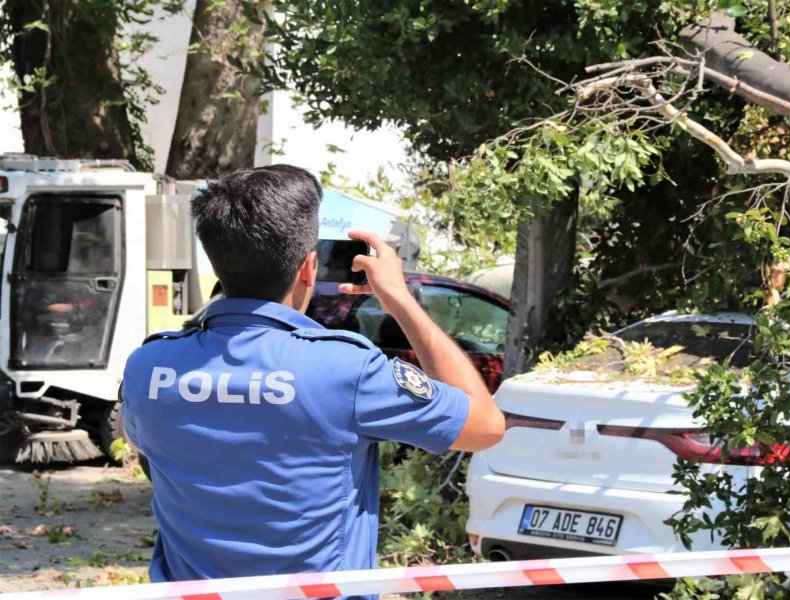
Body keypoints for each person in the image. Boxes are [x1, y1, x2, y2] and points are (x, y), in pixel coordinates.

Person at [120, 164, 505, 598]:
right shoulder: (346, 369)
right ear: (308, 268)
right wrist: (399, 299)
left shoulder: (148, 367)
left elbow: (155, 459)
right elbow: (485, 426)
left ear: (215, 261)